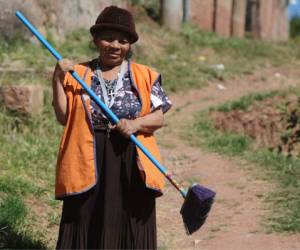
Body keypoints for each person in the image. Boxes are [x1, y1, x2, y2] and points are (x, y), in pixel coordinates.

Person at [52, 5, 172, 249]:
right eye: (108, 38)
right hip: (88, 154)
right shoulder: (79, 74)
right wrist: (56, 78)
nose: (115, 45)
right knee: (87, 216)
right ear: (96, 40)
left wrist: (135, 123)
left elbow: (158, 118)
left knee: (129, 217)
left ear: (130, 45)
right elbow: (64, 117)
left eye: (123, 40)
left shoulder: (146, 75)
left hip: (131, 156)